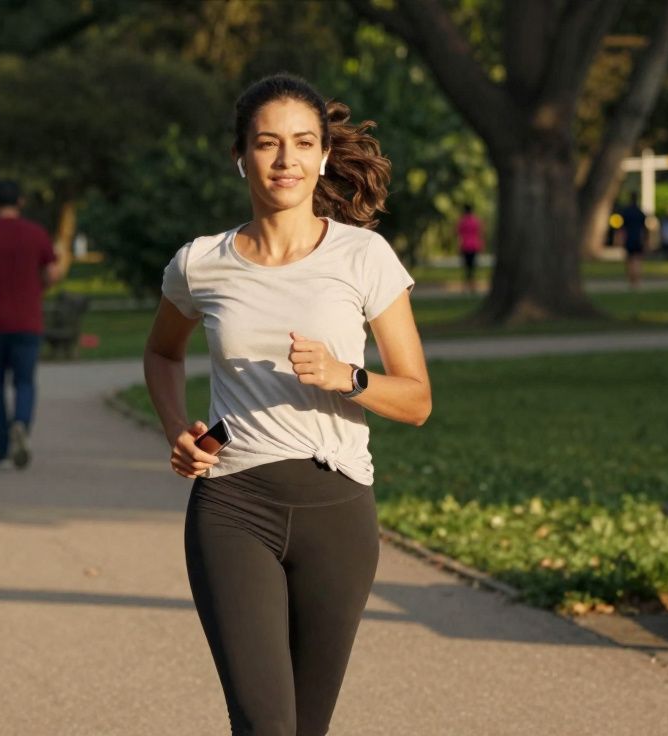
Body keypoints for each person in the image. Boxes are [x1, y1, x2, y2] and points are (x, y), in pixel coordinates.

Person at [144, 74, 431, 735]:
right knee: (265, 726)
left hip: (338, 515)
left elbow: (417, 400)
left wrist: (345, 376)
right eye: (267, 144)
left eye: (303, 143)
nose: (285, 160)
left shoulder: (364, 257)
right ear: (240, 156)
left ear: (325, 155)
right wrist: (175, 430)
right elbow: (161, 354)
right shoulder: (200, 264)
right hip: (233, 507)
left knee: (306, 728)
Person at [0, 180, 64, 468]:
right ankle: (21, 423)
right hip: (28, 319)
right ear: (21, 202)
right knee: (25, 380)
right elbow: (53, 272)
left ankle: (1, 447)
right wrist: (37, 284)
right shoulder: (36, 234)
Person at [619, 193, 648, 288]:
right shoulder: (640, 213)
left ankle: (632, 280)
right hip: (638, 239)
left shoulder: (626, 212)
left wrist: (620, 239)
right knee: (637, 260)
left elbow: (622, 228)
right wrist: (646, 241)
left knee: (629, 260)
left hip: (629, 239)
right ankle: (636, 280)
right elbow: (645, 229)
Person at [455, 203, 483, 294]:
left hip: (465, 246)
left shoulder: (462, 221)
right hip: (474, 246)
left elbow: (459, 234)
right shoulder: (476, 221)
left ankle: (465, 287)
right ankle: (472, 287)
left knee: (467, 268)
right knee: (472, 268)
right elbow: (479, 233)